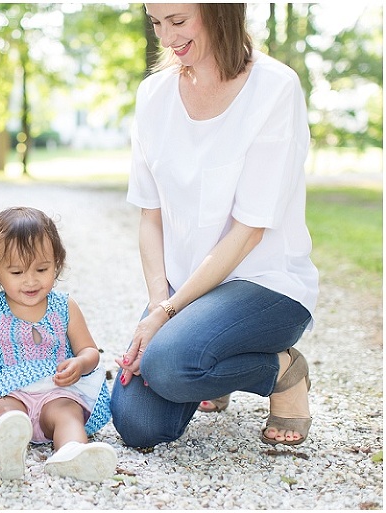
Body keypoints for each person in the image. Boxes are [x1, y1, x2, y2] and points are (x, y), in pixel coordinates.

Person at [111, 3, 319, 449]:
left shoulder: (275, 88)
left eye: (179, 22)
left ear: (220, 12)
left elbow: (249, 231)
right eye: (156, 23)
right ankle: (207, 352)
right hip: (184, 293)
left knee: (168, 365)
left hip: (264, 283)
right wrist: (157, 302)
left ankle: (282, 371)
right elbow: (151, 215)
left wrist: (166, 316)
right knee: (138, 425)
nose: (166, 39)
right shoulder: (154, 96)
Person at [0, 207, 117, 482]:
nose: (31, 280)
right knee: (2, 413)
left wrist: (80, 362)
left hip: (55, 391)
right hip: (7, 392)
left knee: (68, 413)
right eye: (16, 271)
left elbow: (89, 351)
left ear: (56, 263)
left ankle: (72, 452)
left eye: (42, 268)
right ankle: (7, 449)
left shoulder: (65, 307)